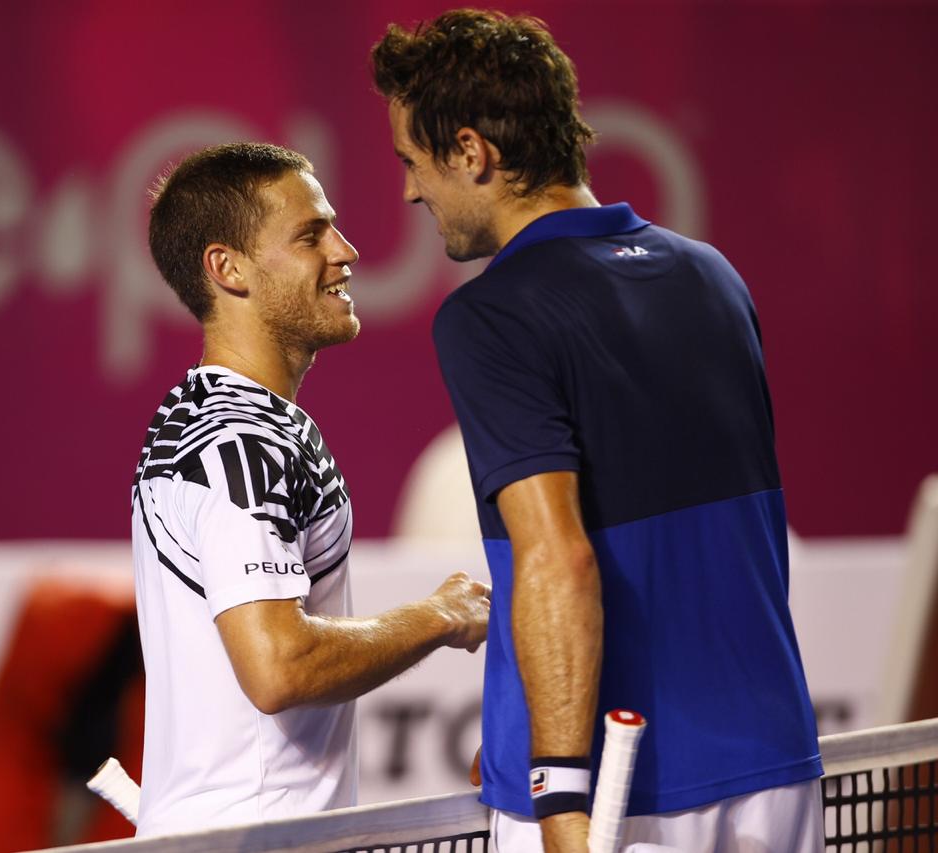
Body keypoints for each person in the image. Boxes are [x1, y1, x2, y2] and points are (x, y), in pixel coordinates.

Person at [371, 11, 823, 852]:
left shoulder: (491, 315)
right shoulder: (713, 276)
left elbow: (559, 558)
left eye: (411, 160)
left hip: (620, 791)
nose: (409, 192)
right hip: (775, 769)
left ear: (471, 151)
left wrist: (555, 785)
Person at [132, 142, 491, 837]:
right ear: (227, 268)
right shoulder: (238, 442)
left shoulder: (219, 419)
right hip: (251, 840)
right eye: (310, 235)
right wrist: (440, 616)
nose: (346, 251)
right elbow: (279, 665)